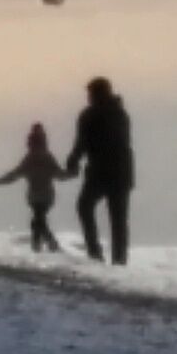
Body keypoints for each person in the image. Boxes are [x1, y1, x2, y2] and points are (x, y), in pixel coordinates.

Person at [64, 76, 135, 265]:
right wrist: (75, 159)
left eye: (91, 93)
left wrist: (74, 160)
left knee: (87, 207)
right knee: (117, 219)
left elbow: (83, 142)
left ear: (99, 93)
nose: (89, 97)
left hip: (105, 172)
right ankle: (116, 260)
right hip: (120, 172)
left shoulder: (93, 114)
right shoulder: (120, 113)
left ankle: (97, 254)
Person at [0, 122, 71, 253]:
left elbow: (13, 175)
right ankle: (43, 249)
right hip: (42, 196)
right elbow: (60, 175)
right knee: (38, 222)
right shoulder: (43, 157)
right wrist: (71, 174)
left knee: (37, 221)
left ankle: (48, 247)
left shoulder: (38, 158)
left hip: (40, 197)